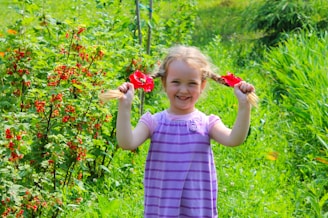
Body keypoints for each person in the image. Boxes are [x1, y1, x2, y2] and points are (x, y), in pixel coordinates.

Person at [116, 45, 256, 217]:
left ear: (202, 85)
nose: (183, 90)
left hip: (197, 211)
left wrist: (244, 105)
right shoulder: (154, 122)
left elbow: (234, 139)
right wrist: (124, 106)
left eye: (192, 83)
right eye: (176, 82)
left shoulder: (206, 123)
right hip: (162, 212)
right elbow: (126, 142)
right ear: (164, 83)